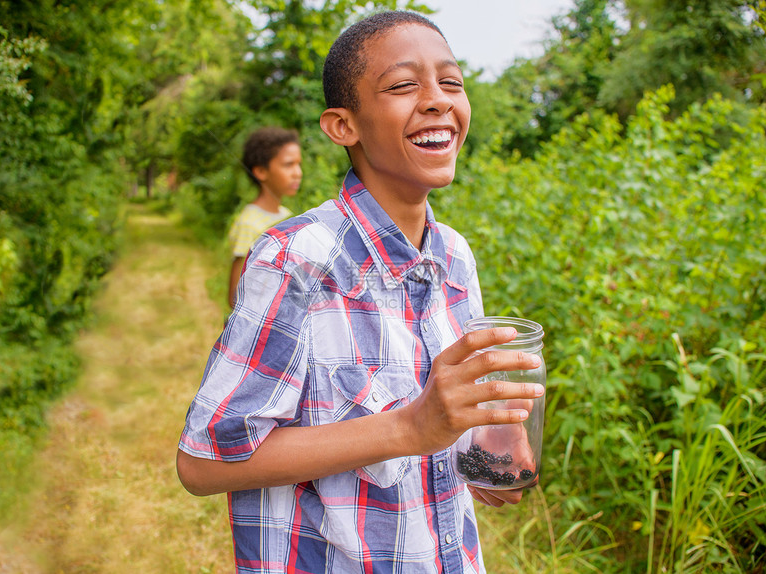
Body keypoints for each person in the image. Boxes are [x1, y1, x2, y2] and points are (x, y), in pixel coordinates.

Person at [177, 10, 544, 573]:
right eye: (403, 85)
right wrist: (408, 427)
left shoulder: (454, 257)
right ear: (342, 126)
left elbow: (443, 427)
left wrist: (484, 450)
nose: (437, 99)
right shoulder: (296, 261)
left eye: (451, 82)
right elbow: (202, 462)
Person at [227, 126, 302, 308]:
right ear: (261, 171)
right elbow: (235, 296)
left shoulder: (287, 216)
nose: (297, 173)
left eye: (299, 164)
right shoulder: (250, 224)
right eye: (288, 165)